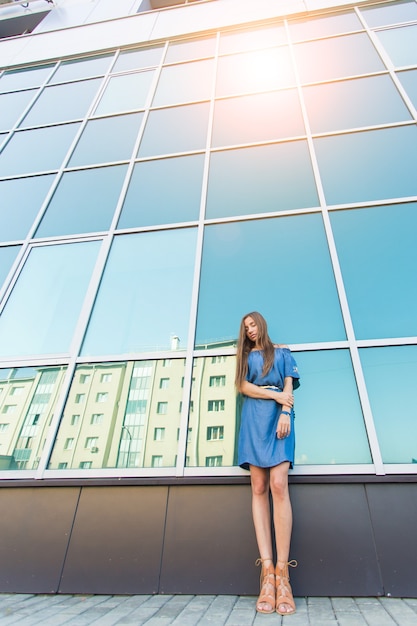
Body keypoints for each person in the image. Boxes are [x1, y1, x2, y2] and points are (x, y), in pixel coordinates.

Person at [235, 311, 300, 616]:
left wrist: (285, 411)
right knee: (259, 487)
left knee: (278, 485)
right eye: (245, 327)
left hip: (279, 418)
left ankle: (284, 576)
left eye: (252, 324)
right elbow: (244, 387)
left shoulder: (282, 352)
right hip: (253, 419)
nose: (249, 330)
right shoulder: (245, 357)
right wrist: (271, 398)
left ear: (261, 324)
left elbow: (288, 388)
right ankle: (267, 576)